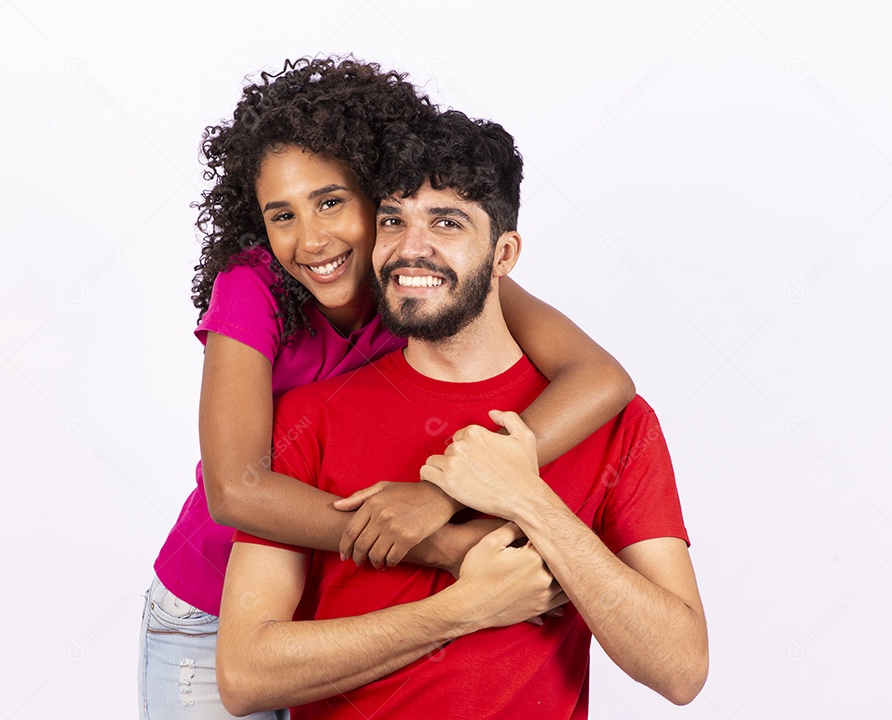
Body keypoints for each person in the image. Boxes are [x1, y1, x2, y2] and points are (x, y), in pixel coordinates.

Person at [140, 58, 636, 719]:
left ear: (379, 196)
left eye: (331, 202)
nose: (311, 240)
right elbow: (236, 489)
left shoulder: (419, 277)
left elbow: (600, 376)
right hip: (212, 613)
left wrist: (442, 493)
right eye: (281, 215)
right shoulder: (251, 286)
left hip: (342, 606)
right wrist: (441, 541)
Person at [215, 110, 707, 718]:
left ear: (504, 254)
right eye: (393, 219)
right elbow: (242, 676)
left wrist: (528, 500)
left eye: (446, 222)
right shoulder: (307, 420)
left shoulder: (614, 424)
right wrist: (461, 608)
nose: (411, 248)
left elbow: (681, 671)